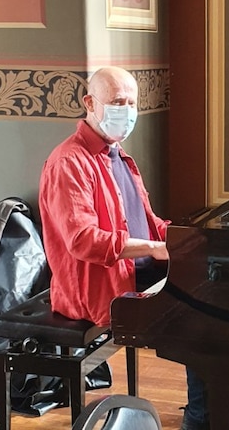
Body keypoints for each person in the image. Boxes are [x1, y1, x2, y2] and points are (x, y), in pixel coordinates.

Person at [38, 66, 209, 430]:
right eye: (118, 102)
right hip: (98, 290)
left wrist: (184, 236)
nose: (127, 111)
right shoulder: (68, 162)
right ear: (90, 103)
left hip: (137, 272)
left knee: (214, 291)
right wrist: (156, 247)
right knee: (202, 319)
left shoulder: (117, 155)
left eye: (132, 102)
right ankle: (202, 419)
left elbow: (146, 221)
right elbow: (83, 241)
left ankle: (214, 409)